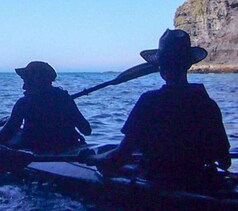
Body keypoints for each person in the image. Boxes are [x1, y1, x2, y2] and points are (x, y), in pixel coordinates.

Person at [95, 29, 231, 180]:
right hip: (199, 178)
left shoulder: (149, 101)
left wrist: (96, 160)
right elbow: (225, 162)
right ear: (188, 65)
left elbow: (122, 154)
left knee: (105, 164)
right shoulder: (207, 104)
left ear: (161, 67)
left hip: (158, 179)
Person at [0, 61, 92, 153]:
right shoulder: (65, 99)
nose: (23, 87)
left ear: (37, 81)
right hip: (69, 146)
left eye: (27, 81)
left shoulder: (23, 104)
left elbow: (5, 135)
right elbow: (86, 130)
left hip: (38, 150)